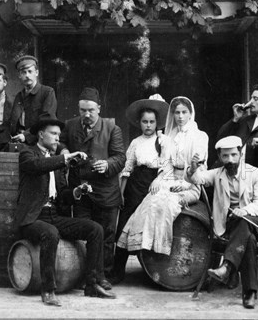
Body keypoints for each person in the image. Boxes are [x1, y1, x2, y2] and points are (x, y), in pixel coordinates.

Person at [16, 118, 116, 305]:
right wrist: (65, 158)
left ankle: (92, 285)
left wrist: (77, 192)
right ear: (40, 135)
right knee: (50, 233)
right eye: (53, 134)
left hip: (54, 216)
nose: (57, 138)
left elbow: (62, 195)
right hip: (32, 219)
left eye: (58, 135)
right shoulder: (27, 153)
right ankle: (48, 291)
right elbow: (36, 167)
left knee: (95, 229)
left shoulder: (58, 164)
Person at [188, 136, 258, 309]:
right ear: (220, 157)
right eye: (226, 156)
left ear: (241, 154)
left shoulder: (255, 173)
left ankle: (227, 267)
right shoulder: (217, 174)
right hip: (235, 228)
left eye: (234, 155)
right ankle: (249, 293)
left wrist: (245, 211)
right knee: (247, 239)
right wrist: (192, 169)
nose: (230, 160)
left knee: (243, 222)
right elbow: (197, 179)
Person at [117, 96, 208, 256]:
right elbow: (166, 164)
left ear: (190, 114)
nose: (180, 116)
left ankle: (161, 249)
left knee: (165, 205)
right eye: (177, 112)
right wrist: (158, 179)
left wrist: (186, 184)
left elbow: (200, 169)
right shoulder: (170, 137)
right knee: (149, 202)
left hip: (191, 184)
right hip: (168, 180)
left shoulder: (200, 136)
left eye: (184, 112)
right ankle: (145, 249)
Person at [60, 87, 126, 279]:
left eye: (91, 110)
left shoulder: (112, 128)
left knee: (106, 237)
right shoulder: (70, 125)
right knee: (84, 233)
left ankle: (102, 276)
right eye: (82, 110)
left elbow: (121, 157)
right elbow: (62, 142)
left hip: (106, 192)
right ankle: (85, 275)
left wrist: (107, 164)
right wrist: (64, 151)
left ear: (99, 108)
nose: (87, 114)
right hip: (81, 191)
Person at [110, 94, 169, 284]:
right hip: (135, 184)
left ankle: (151, 271)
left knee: (148, 225)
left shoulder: (163, 141)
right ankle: (118, 271)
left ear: (157, 122)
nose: (148, 126)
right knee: (125, 223)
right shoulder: (136, 142)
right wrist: (121, 191)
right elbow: (128, 167)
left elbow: (167, 166)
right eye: (145, 122)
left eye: (152, 122)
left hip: (154, 184)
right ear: (140, 122)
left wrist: (158, 179)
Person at [9, 54, 57, 146]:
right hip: (19, 143)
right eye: (24, 72)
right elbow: (12, 122)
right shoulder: (19, 96)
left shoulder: (47, 92)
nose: (27, 75)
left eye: (30, 71)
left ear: (37, 72)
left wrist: (26, 135)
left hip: (39, 143)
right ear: (19, 75)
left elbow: (47, 120)